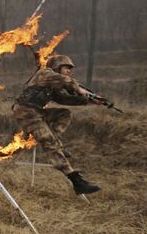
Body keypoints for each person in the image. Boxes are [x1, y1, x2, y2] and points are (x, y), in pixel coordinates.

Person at [12, 54, 102, 195]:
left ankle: (55, 141)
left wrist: (88, 100)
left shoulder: (52, 85)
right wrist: (80, 90)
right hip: (26, 112)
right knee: (49, 143)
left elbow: (64, 99)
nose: (69, 71)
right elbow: (65, 80)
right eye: (67, 68)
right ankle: (76, 181)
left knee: (64, 113)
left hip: (37, 111)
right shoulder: (45, 73)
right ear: (57, 66)